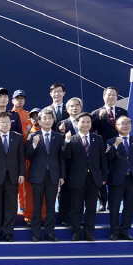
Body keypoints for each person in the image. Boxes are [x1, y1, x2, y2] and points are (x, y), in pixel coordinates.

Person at [63, 112, 107, 241]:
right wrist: (66, 141)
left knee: (91, 207)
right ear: (77, 124)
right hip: (77, 178)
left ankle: (89, 233)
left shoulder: (98, 139)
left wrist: (104, 176)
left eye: (88, 122)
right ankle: (77, 232)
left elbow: (103, 160)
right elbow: (66, 157)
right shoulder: (72, 139)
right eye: (83, 122)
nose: (86, 124)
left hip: (94, 178)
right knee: (76, 207)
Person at [25, 108, 65, 242]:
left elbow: (61, 158)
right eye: (44, 118)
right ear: (39, 121)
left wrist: (61, 176)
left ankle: (50, 233)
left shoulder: (58, 137)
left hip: (53, 175)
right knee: (37, 206)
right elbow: (28, 155)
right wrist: (34, 145)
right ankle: (36, 234)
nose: (47, 121)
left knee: (51, 206)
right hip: (37, 176)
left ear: (53, 121)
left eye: (50, 118)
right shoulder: (33, 136)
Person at [106, 116, 133, 241]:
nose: (125, 125)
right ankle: (114, 231)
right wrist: (115, 145)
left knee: (130, 206)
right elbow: (107, 158)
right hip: (116, 179)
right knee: (114, 206)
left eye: (128, 123)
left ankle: (125, 230)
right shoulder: (111, 141)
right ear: (116, 126)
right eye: (122, 123)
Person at [0, 112, 25, 242]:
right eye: (2, 122)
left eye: (8, 122)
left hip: (12, 176)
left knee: (11, 205)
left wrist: (21, 174)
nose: (5, 124)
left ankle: (8, 233)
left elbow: (21, 158)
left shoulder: (17, 137)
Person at [92, 86, 128, 212]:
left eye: (113, 95)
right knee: (101, 175)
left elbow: (125, 128)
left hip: (119, 147)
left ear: (117, 97)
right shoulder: (96, 112)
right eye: (108, 95)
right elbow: (90, 129)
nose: (111, 97)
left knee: (116, 175)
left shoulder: (122, 111)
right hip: (102, 148)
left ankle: (114, 201)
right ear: (103, 97)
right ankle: (102, 202)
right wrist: (99, 118)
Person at [57, 97, 84, 226]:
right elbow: (58, 145)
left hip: (82, 165)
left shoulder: (86, 122)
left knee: (80, 192)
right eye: (71, 106)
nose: (74, 108)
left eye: (77, 105)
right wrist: (62, 134)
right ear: (67, 109)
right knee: (65, 192)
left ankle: (78, 218)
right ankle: (64, 217)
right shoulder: (61, 124)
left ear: (81, 107)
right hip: (67, 164)